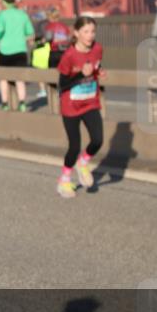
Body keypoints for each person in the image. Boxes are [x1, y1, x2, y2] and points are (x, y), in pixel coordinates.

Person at [56, 17, 105, 198]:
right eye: (85, 32)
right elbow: (62, 84)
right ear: (76, 33)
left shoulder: (98, 49)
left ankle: (83, 163)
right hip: (71, 105)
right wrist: (79, 75)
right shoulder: (69, 56)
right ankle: (64, 180)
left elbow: (96, 65)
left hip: (90, 101)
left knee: (98, 140)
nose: (90, 36)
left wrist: (99, 71)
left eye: (92, 31)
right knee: (74, 146)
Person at [0, 0, 34, 112]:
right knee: (19, 79)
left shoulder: (2, 15)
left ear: (5, 3)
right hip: (20, 49)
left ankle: (5, 104)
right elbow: (30, 31)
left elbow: (0, 30)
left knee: (4, 78)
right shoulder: (23, 15)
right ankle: (22, 103)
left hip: (5, 50)